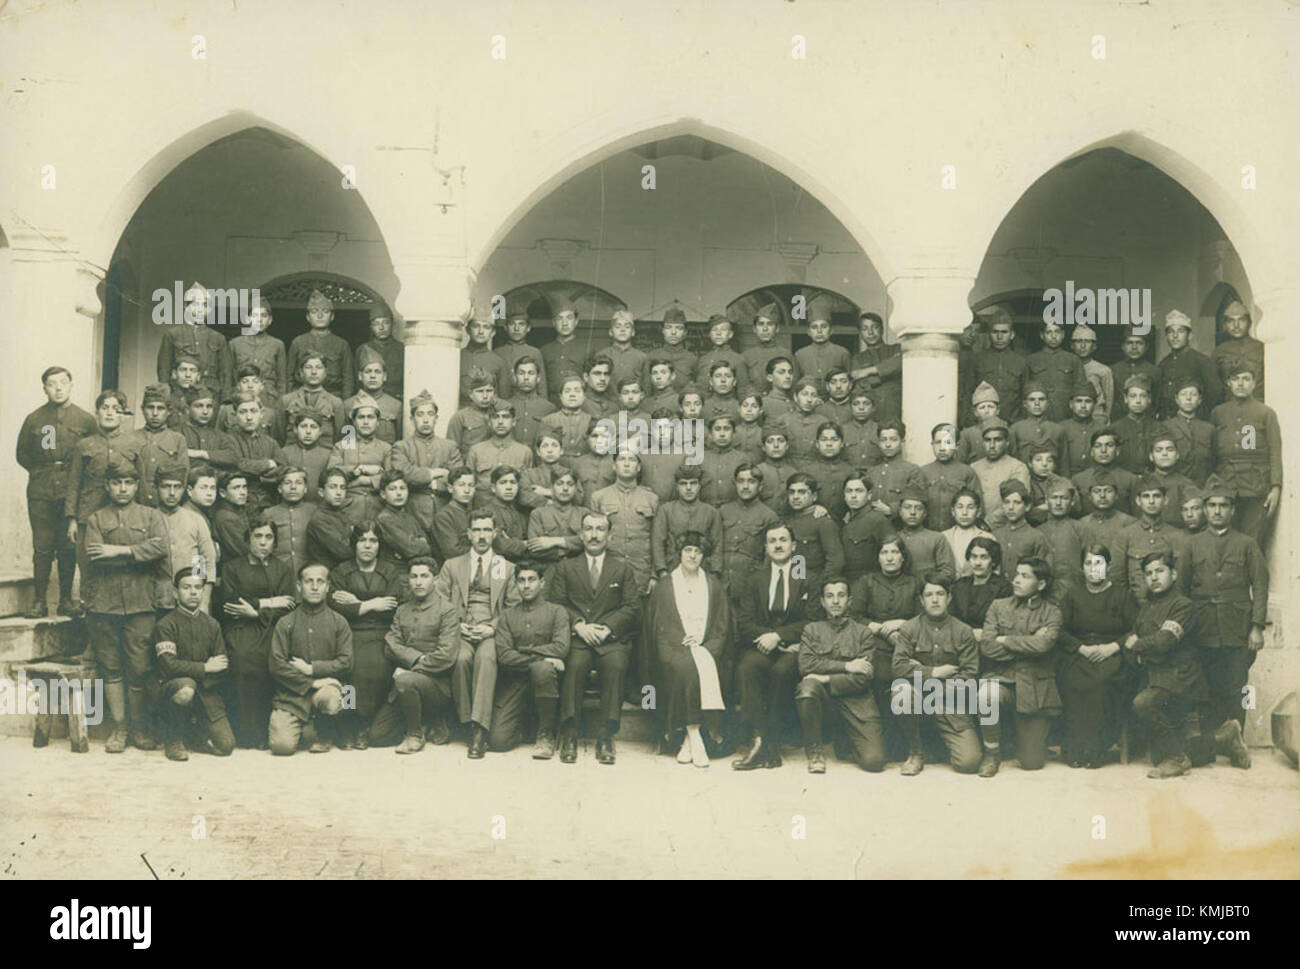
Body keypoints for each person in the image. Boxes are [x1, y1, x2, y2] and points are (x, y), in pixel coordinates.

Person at [83, 459, 169, 752]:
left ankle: (139, 728)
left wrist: (119, 550)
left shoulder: (151, 516)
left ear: (136, 486)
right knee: (110, 667)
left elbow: (160, 549)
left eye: (129, 483)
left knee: (140, 668)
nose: (123, 488)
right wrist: (137, 555)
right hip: (103, 605)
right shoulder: (95, 519)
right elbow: (95, 554)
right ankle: (119, 729)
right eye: (117, 483)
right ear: (107, 486)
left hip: (141, 603)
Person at [1185, 485, 1267, 768]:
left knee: (1236, 687)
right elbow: (1183, 591)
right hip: (1203, 628)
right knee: (1206, 688)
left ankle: (1236, 745)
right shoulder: (1191, 544)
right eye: (1212, 505)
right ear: (1204, 509)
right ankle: (1210, 745)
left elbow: (1260, 585)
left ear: (1233, 510)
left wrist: (1256, 626)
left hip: (1237, 627)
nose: (1217, 511)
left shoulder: (1247, 544)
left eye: (1223, 505)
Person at [548, 511, 639, 765]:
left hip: (610, 639)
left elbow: (632, 607)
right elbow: (556, 604)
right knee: (575, 666)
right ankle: (570, 734)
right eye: (588, 529)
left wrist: (608, 628)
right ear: (581, 534)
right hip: (578, 638)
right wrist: (578, 625)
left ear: (609, 536)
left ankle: (606, 735)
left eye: (600, 529)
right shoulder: (566, 568)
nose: (594, 535)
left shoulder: (622, 569)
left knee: (617, 665)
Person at [434, 511, 520, 758]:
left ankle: (480, 729)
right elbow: (439, 600)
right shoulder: (452, 565)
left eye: (487, 530)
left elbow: (513, 607)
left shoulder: (505, 567)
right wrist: (456, 625)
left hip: (491, 631)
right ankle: (466, 721)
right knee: (460, 659)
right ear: (469, 534)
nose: (482, 536)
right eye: (477, 530)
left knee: (487, 659)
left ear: (494, 533)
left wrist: (492, 627)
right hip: (460, 628)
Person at [731, 522, 814, 771]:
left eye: (783, 540)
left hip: (794, 647)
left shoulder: (805, 577)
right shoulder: (755, 578)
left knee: (781, 673)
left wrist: (779, 636)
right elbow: (745, 622)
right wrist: (770, 638)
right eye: (772, 541)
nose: (778, 545)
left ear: (794, 545)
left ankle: (772, 743)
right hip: (762, 645)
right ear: (766, 548)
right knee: (747, 668)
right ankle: (758, 739)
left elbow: (812, 618)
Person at [644, 531, 732, 767]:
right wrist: (681, 639)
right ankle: (695, 734)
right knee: (685, 668)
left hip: (706, 645)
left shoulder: (713, 585)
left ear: (704, 555)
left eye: (698, 551)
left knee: (701, 665)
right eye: (688, 550)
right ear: (679, 553)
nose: (692, 556)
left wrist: (705, 644)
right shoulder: (665, 586)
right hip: (674, 647)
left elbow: (723, 626)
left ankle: (688, 739)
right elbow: (659, 626)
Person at [16, 365, 95, 617]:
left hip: (71, 490)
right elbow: (22, 454)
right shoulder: (34, 419)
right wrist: (44, 471)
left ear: (72, 385)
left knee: (67, 545)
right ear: (45, 389)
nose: (58, 388)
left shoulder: (85, 420)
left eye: (63, 382)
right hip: (41, 490)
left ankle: (65, 600)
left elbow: (93, 453)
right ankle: (39, 601)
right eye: (52, 384)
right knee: (42, 546)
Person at [1127, 551, 1213, 778]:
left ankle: (1178, 760)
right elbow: (1138, 637)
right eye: (1148, 573)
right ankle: (1225, 737)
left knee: (1142, 704)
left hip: (1181, 677)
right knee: (1158, 755)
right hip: (1156, 676)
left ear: (1173, 574)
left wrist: (1138, 646)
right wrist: (1142, 646)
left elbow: (1164, 642)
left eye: (1160, 571)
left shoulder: (1183, 605)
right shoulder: (1147, 606)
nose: (1154, 577)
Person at [888, 573, 982, 775]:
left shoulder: (963, 631)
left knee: (969, 762)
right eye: (929, 594)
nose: (935, 599)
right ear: (921, 600)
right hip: (918, 701)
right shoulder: (910, 628)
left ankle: (940, 747)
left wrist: (921, 674)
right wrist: (935, 672)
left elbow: (969, 677)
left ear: (949, 598)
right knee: (902, 692)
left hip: (950, 705)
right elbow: (898, 667)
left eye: (940, 593)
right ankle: (915, 752)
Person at [1055, 545, 1139, 768]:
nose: (1093, 569)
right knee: (1071, 681)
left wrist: (1113, 646)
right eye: (1088, 563)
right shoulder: (1073, 594)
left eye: (1099, 563)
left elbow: (1136, 628)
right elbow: (1059, 629)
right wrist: (1081, 648)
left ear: (1109, 566)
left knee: (1101, 684)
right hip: (1080, 652)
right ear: (1082, 567)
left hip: (1111, 653)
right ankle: (1075, 746)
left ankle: (1096, 747)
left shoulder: (1123, 595)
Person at [976, 558, 1063, 776]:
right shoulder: (998, 606)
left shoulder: (1052, 612)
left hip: (1035, 688)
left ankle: (1021, 740)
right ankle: (992, 752)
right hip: (1002, 679)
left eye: (1025, 576)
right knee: (986, 695)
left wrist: (1005, 639)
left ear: (1041, 585)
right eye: (1016, 574)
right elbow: (987, 646)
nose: (1016, 580)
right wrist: (1029, 641)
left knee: (1031, 763)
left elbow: (1044, 645)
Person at [367, 557, 463, 753]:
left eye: (424, 576)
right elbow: (390, 645)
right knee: (378, 736)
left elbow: (445, 656)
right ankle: (427, 723)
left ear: (435, 579)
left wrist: (409, 667)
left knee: (405, 681)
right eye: (413, 577)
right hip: (406, 684)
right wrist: (416, 659)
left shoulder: (447, 610)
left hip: (437, 687)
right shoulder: (402, 610)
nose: (418, 582)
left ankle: (415, 735)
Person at [795, 579, 886, 774]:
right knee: (807, 688)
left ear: (850, 601)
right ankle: (815, 751)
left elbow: (864, 678)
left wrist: (825, 678)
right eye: (830, 596)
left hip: (857, 704)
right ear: (822, 602)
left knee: (874, 761)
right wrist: (847, 665)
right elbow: (806, 665)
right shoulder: (812, 630)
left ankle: (845, 741)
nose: (835, 601)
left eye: (841, 595)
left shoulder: (863, 634)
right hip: (825, 701)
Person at [220, 517, 295, 748]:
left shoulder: (283, 569)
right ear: (247, 539)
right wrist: (266, 603)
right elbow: (230, 604)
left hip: (274, 629)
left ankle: (266, 733)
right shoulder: (232, 568)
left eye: (269, 537)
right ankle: (243, 733)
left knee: (271, 664)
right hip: (240, 629)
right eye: (258, 536)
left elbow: (289, 605)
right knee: (241, 661)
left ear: (275, 542)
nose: (263, 542)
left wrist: (254, 610)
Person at [329, 521, 404, 748]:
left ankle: (368, 724)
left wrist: (357, 604)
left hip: (382, 633)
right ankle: (349, 722)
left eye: (373, 541)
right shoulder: (341, 571)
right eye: (362, 540)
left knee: (381, 670)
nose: (367, 546)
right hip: (349, 633)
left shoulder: (390, 571)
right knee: (349, 674)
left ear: (379, 545)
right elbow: (337, 606)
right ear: (354, 544)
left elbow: (391, 606)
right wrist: (372, 604)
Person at [268, 562, 354, 755]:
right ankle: (309, 729)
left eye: (320, 581)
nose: (314, 587)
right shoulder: (286, 622)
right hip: (292, 694)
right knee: (281, 746)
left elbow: (347, 662)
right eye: (309, 581)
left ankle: (335, 730)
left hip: (329, 689)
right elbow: (276, 665)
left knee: (346, 693)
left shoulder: (339, 621)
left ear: (328, 586)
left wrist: (312, 669)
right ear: (299, 586)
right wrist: (312, 682)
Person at [487, 561, 571, 757]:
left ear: (542, 583)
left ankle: (546, 733)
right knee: (498, 742)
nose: (526, 585)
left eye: (532, 580)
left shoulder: (557, 611)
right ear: (516, 584)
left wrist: (524, 653)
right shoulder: (507, 616)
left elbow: (561, 647)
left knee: (542, 670)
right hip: (516, 684)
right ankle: (526, 730)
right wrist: (542, 657)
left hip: (547, 683)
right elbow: (504, 655)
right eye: (521, 580)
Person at [153, 569, 235, 761]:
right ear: (175, 593)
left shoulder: (212, 625)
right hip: (174, 688)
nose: (193, 592)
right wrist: (205, 667)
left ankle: (194, 733)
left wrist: (207, 673)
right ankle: (173, 739)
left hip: (206, 692)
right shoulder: (166, 625)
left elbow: (222, 666)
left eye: (198, 587)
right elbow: (169, 667)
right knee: (185, 690)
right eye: (186, 587)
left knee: (226, 746)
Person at [1208, 361, 1281, 547]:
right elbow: (1212, 452)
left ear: (1254, 383)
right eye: (1236, 379)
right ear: (1228, 383)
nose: (1241, 384)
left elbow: (1274, 450)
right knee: (1224, 540)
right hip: (1226, 485)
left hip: (1256, 487)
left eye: (1246, 379)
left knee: (1252, 542)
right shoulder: (1218, 413)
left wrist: (1275, 487)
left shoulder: (1266, 413)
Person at [386, 390, 462, 532]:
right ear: (411, 419)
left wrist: (420, 477)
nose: (426, 420)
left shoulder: (449, 447)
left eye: (430, 414)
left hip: (445, 510)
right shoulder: (401, 447)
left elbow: (457, 479)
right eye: (420, 415)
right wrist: (436, 473)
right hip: (413, 511)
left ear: (436, 418)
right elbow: (405, 475)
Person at [590, 448, 659, 596]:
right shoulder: (599, 497)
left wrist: (654, 574)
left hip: (641, 571)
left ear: (639, 467)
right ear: (614, 466)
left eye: (632, 460)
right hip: (608, 570)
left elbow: (656, 538)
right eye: (622, 459)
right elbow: (593, 539)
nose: (627, 464)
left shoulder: (651, 498)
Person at [154, 466, 217, 613]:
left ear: (184, 490)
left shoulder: (195, 520)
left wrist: (203, 601)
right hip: (157, 600)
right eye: (165, 487)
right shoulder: (148, 519)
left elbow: (204, 560)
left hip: (191, 600)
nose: (171, 493)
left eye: (177, 487)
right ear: (156, 488)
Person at [156, 283, 230, 395]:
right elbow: (164, 369)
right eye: (196, 304)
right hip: (180, 392)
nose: (200, 309)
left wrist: (225, 399)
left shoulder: (218, 338)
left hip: (210, 392)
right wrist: (165, 394)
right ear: (186, 306)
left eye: (204, 305)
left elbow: (225, 373)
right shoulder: (172, 334)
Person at [652, 465, 722, 579]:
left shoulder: (711, 512)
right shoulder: (666, 510)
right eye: (683, 483)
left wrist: (714, 574)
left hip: (703, 572)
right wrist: (662, 571)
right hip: (673, 570)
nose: (688, 488)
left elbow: (717, 545)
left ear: (699, 486)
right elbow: (658, 543)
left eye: (693, 483)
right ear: (676, 487)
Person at [1155, 310, 1221, 420]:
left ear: (1189, 335)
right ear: (1166, 336)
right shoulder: (1163, 364)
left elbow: (1215, 395)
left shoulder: (1202, 361)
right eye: (1171, 332)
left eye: (1180, 331)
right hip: (1167, 423)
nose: (1175, 336)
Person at [288, 289, 354, 399]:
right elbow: (289, 377)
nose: (320, 316)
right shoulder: (298, 342)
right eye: (314, 312)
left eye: (325, 311)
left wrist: (344, 404)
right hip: (302, 398)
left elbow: (348, 379)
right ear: (308, 317)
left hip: (333, 396)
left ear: (332, 316)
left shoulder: (341, 344)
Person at [227, 293, 286, 396]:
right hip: (242, 396)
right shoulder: (235, 344)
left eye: (264, 315)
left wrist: (279, 401)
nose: (259, 320)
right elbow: (227, 377)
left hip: (268, 396)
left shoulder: (277, 345)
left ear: (270, 320)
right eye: (255, 315)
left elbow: (282, 380)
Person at [1025, 321, 1085, 422]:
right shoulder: (1031, 360)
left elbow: (1080, 390)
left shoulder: (1073, 360)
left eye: (1057, 332)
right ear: (1042, 335)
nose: (1053, 336)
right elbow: (1025, 390)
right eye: (1049, 332)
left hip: (1065, 415)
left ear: (1063, 335)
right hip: (1038, 417)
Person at [950, 536, 1012, 633]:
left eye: (984, 557)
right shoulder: (960, 585)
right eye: (974, 557)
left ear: (993, 561)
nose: (977, 563)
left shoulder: (1003, 588)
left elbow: (1004, 624)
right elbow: (951, 619)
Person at [848, 311, 902, 420]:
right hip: (873, 413)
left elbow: (900, 363)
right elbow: (861, 383)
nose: (870, 332)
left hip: (897, 407)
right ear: (860, 333)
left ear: (882, 329)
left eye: (875, 327)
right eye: (865, 329)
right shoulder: (857, 359)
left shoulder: (896, 349)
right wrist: (888, 373)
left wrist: (868, 371)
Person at [1211, 298, 1264, 402]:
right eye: (1231, 321)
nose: (1236, 325)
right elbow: (1214, 387)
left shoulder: (1261, 348)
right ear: (1225, 325)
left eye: (1241, 320)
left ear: (1250, 323)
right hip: (1230, 408)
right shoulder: (1219, 351)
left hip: (1259, 406)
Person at [357, 306, 404, 400]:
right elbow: (357, 381)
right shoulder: (363, 349)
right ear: (371, 327)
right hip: (369, 400)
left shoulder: (402, 349)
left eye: (386, 323)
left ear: (392, 324)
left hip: (396, 399)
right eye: (376, 324)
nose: (381, 327)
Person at [1070, 323, 1114, 423]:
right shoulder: (1067, 367)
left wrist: (1106, 419)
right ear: (1072, 345)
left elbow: (1109, 400)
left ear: (1094, 346)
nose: (1082, 346)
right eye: (1078, 341)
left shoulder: (1103, 370)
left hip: (1096, 416)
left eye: (1087, 341)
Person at [653, 307, 697, 393]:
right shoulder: (652, 356)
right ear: (663, 330)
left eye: (679, 328)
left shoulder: (692, 359)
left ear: (685, 332)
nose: (673, 332)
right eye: (668, 327)